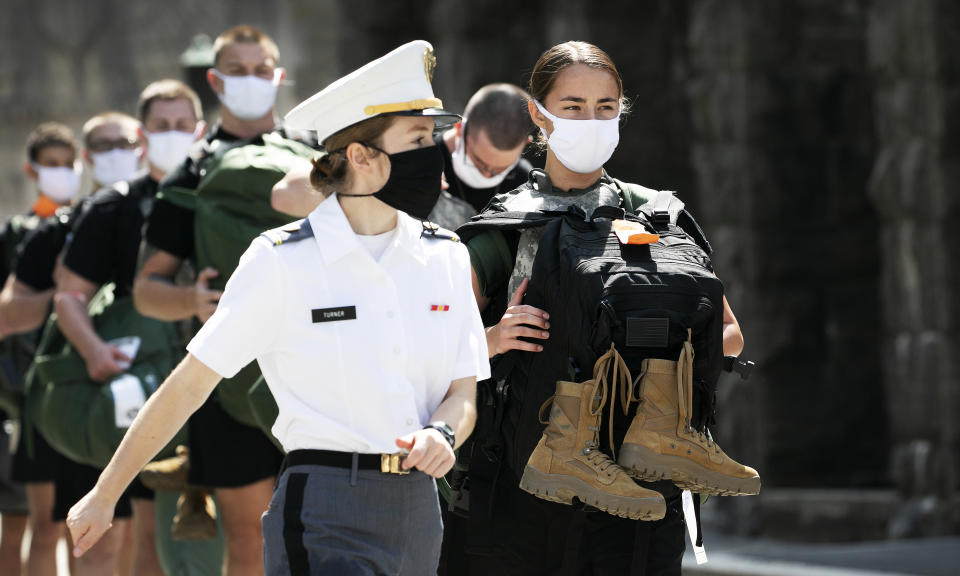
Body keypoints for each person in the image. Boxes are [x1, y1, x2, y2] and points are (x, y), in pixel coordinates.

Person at [66, 39, 489, 575]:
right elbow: (192, 382)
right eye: (417, 138)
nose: (435, 153)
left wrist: (444, 434)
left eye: (433, 137)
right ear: (360, 156)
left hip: (420, 510)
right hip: (325, 505)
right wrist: (106, 492)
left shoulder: (444, 255)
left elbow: (462, 392)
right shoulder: (283, 261)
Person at [464, 41, 750, 574]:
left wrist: (667, 346)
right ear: (538, 114)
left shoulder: (659, 216)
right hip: (520, 497)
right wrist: (492, 338)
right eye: (572, 106)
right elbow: (427, 348)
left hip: (642, 496)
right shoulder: (504, 226)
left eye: (605, 107)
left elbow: (730, 334)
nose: (590, 120)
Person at [131, 25, 315, 576]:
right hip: (226, 381)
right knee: (249, 536)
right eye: (237, 70)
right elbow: (147, 289)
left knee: (315, 530)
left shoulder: (313, 155)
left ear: (279, 77)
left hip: (312, 369)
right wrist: (191, 298)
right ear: (214, 80)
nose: (252, 80)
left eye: (262, 69)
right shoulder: (191, 171)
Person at [53, 79, 206, 576]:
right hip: (147, 383)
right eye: (162, 126)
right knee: (146, 526)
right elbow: (70, 296)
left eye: (182, 125)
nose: (173, 134)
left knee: (241, 525)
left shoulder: (221, 192)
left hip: (222, 380)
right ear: (143, 134)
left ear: (200, 129)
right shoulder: (114, 206)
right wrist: (95, 351)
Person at [270, 82, 533, 229]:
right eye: (479, 162)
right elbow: (285, 194)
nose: (486, 174)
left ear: (526, 145)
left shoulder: (524, 185)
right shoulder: (409, 155)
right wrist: (383, 186)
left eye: (499, 170)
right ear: (460, 129)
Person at [0, 122, 80, 576]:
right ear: (32, 170)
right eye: (53, 165)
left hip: (84, 389)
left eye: (69, 164)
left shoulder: (95, 222)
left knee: (86, 526)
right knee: (32, 524)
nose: (63, 174)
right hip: (26, 397)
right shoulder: (16, 235)